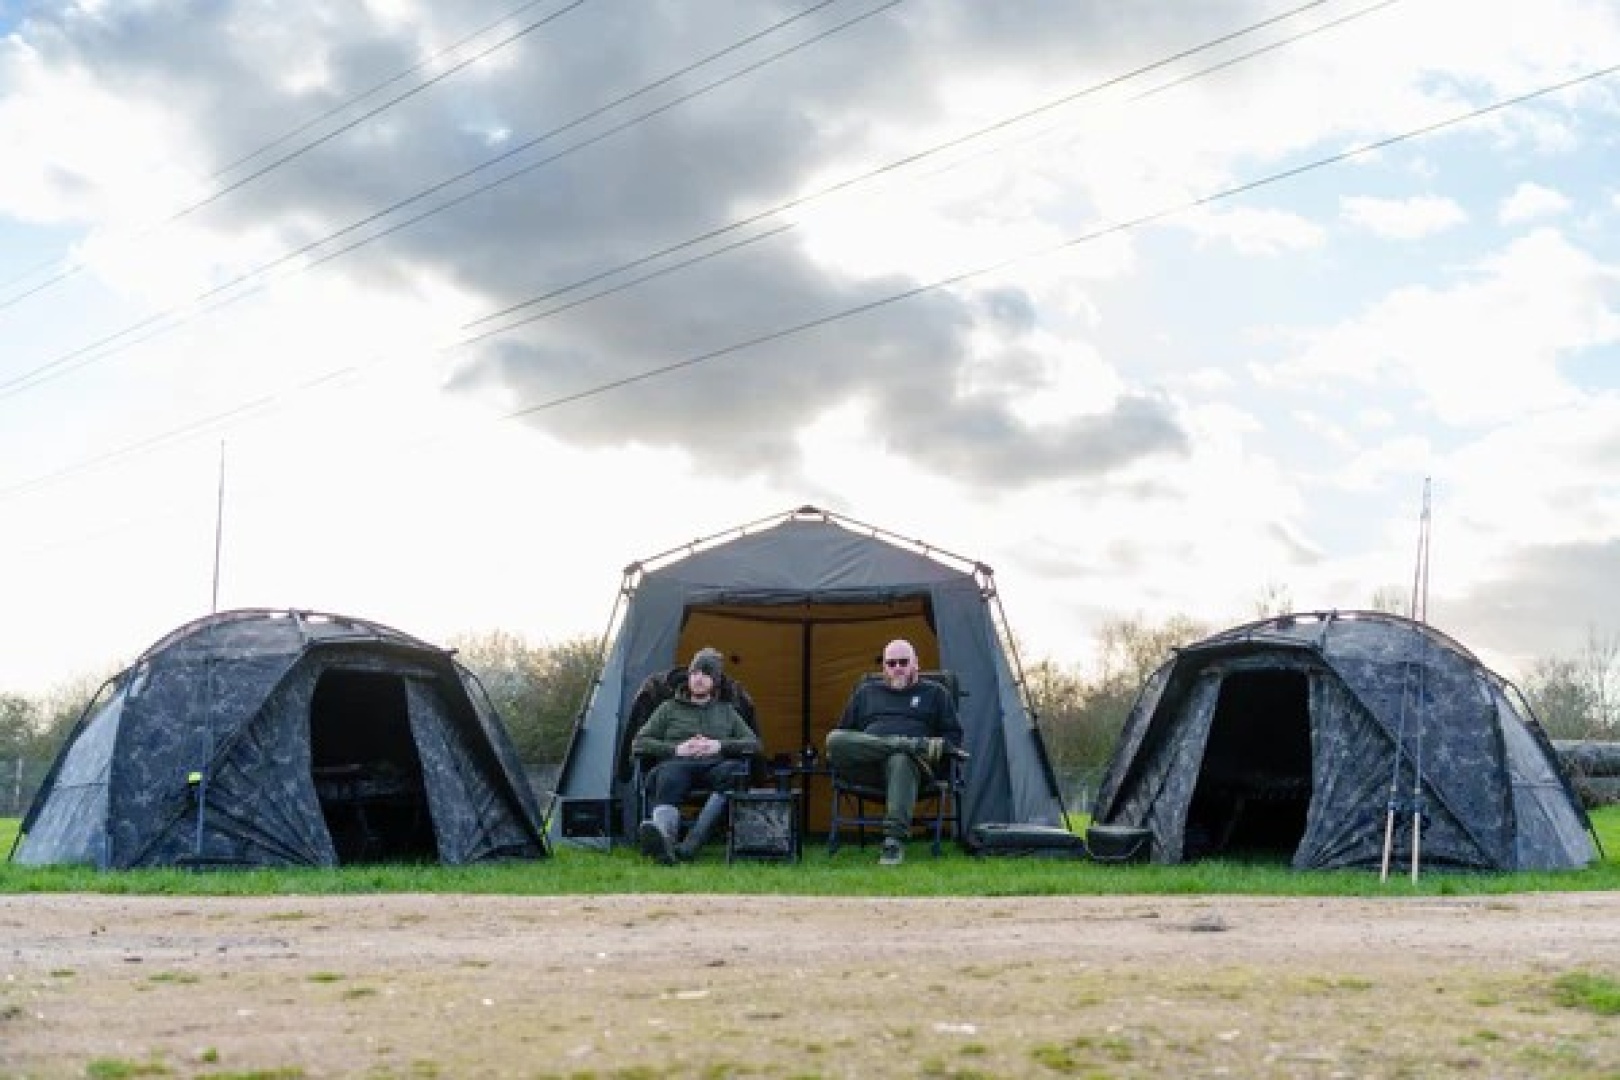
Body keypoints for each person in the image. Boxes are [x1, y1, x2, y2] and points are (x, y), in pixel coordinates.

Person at [825, 638, 966, 866]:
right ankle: (907, 745)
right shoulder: (866, 693)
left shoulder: (937, 694)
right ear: (884, 668)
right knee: (833, 739)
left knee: (900, 759)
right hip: (868, 767)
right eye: (891, 663)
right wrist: (910, 743)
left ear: (916, 664)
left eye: (903, 661)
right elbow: (845, 736)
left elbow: (953, 740)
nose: (897, 667)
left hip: (912, 771)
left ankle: (893, 842)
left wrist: (923, 751)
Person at [631, 646, 760, 864]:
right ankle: (665, 843)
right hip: (676, 764)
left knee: (734, 772)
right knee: (668, 776)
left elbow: (754, 743)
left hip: (715, 766)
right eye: (694, 673)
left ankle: (692, 844)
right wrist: (675, 749)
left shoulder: (726, 711)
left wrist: (718, 745)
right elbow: (639, 743)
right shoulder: (668, 708)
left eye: (706, 674)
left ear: (715, 681)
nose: (698, 679)